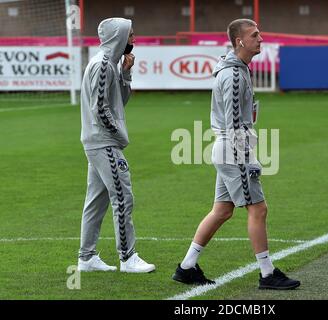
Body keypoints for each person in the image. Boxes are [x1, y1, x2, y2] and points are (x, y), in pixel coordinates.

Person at [172, 19, 300, 289]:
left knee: (221, 211)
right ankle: (267, 274)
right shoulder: (232, 75)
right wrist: (247, 158)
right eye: (255, 35)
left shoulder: (238, 70)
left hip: (228, 149)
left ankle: (186, 268)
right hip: (233, 149)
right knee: (259, 209)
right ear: (239, 41)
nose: (260, 39)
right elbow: (233, 124)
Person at [77, 17, 155, 273]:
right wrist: (118, 135)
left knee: (96, 201)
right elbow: (100, 109)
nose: (134, 39)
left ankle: (86, 257)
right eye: (130, 34)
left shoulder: (109, 65)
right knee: (122, 197)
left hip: (98, 140)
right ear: (118, 37)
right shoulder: (101, 66)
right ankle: (127, 257)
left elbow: (117, 103)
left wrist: (126, 74)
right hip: (104, 142)